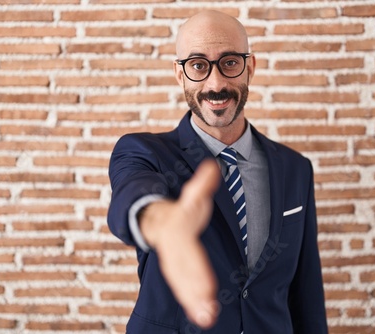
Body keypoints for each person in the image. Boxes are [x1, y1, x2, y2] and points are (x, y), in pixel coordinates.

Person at [107, 10, 328, 334]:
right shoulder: (145, 152)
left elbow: (306, 292)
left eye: (229, 62)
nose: (216, 84)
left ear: (249, 67)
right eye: (198, 65)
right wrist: (164, 224)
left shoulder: (296, 168)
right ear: (180, 74)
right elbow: (132, 194)